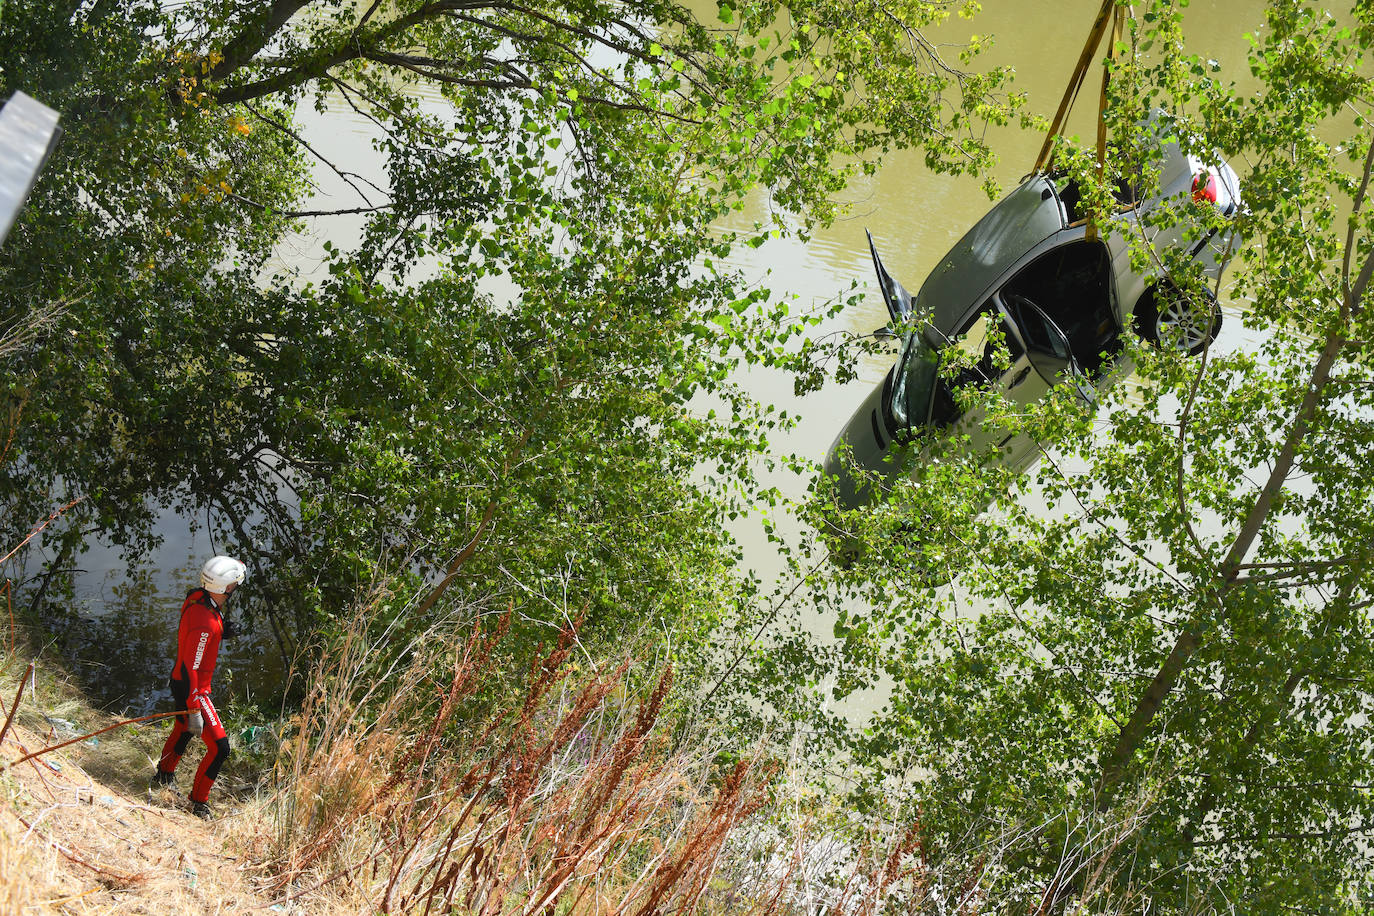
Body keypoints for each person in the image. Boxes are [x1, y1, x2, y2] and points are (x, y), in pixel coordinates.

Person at [149, 555, 246, 818]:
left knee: (182, 730)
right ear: (226, 587)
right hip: (193, 687)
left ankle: (164, 776)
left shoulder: (197, 598)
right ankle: (198, 803)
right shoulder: (205, 623)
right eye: (234, 585)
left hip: (179, 682)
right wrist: (194, 707)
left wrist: (222, 630)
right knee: (220, 748)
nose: (235, 589)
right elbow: (192, 664)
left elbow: (198, 628)